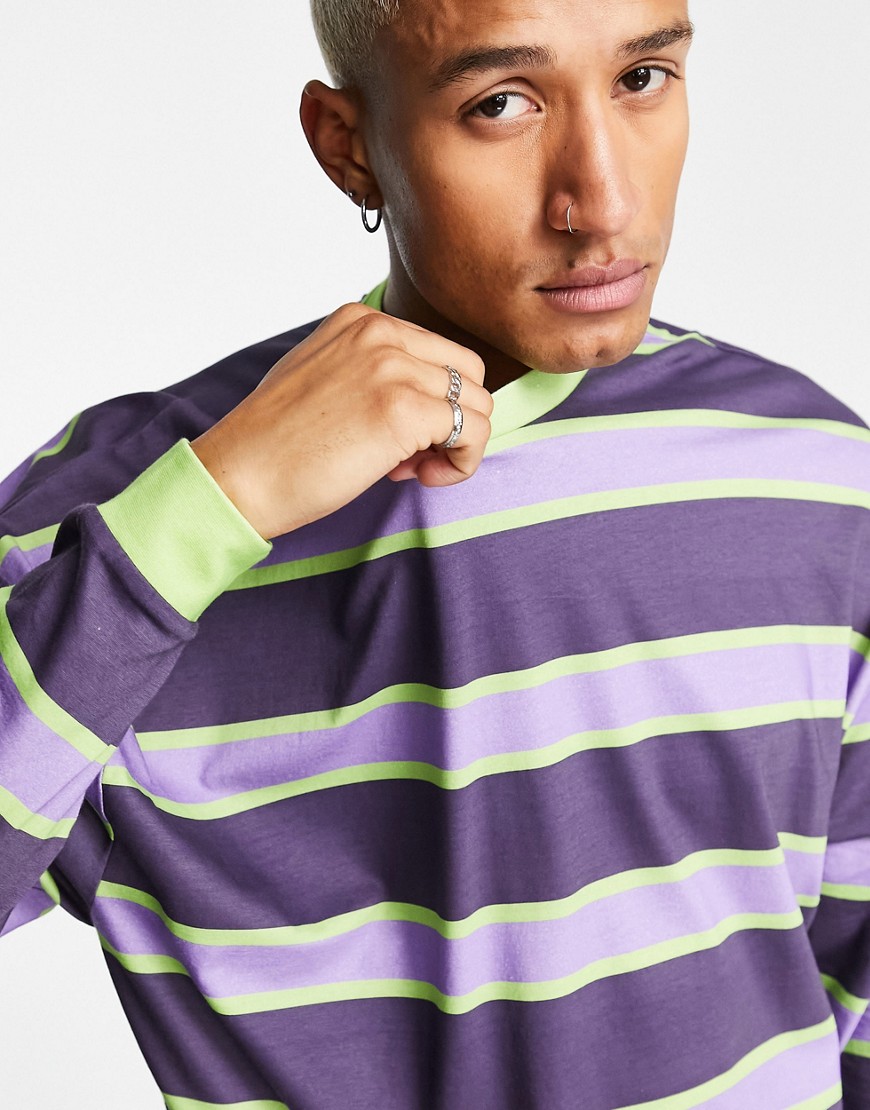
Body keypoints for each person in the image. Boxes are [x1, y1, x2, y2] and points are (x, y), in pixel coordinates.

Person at [1, 0, 868, 1106]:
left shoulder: (816, 474)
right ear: (348, 146)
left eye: (643, 78)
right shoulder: (122, 522)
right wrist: (215, 511)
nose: (604, 202)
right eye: (501, 103)